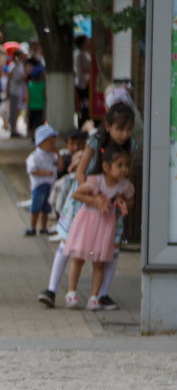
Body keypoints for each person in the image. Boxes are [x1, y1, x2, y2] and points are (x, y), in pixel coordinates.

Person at [37, 103, 137, 308]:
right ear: (108, 126)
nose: (124, 134)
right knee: (69, 243)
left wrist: (117, 197)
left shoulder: (131, 145)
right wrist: (94, 194)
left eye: (128, 129)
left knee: (110, 248)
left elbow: (127, 174)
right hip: (86, 198)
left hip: (110, 207)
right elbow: (81, 173)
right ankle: (52, 289)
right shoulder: (95, 140)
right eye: (120, 128)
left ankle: (101, 294)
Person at [60, 145, 135, 310]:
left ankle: (94, 296)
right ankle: (71, 291)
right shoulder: (95, 181)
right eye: (120, 165)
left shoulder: (124, 186)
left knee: (99, 262)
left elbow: (131, 200)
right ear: (106, 167)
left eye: (126, 165)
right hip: (88, 222)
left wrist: (122, 200)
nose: (124, 169)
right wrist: (93, 201)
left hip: (105, 226)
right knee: (79, 258)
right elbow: (76, 193)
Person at [25, 125, 60, 237]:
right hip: (39, 184)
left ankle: (43, 227)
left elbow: (60, 166)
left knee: (46, 207)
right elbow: (32, 170)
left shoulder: (52, 155)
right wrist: (45, 173)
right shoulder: (34, 156)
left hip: (50, 184)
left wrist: (58, 154)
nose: (52, 145)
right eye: (50, 142)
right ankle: (32, 226)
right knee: (36, 206)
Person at [5, 49, 27, 138]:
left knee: (18, 110)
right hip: (13, 91)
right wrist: (7, 91)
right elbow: (9, 80)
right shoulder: (12, 66)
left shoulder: (20, 66)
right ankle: (12, 129)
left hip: (19, 90)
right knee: (13, 110)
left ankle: (15, 128)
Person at [74, 35, 92, 127]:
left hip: (86, 83)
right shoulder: (79, 55)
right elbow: (84, 69)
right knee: (83, 106)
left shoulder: (85, 54)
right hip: (82, 84)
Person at [26, 60, 46, 136]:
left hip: (32, 107)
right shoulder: (42, 85)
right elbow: (45, 96)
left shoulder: (30, 85)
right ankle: (37, 137)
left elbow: (27, 98)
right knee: (38, 123)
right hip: (40, 107)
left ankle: (32, 136)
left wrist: (26, 109)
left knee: (32, 123)